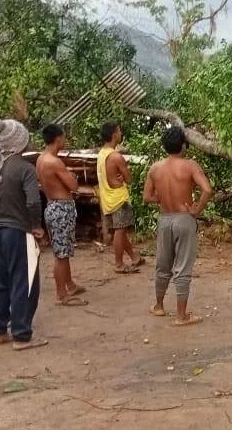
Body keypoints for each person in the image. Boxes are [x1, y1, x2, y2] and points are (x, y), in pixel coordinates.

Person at [0, 118, 47, 351]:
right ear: (22, 142)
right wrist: (36, 225)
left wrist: (0, 214)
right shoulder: (25, 169)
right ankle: (21, 334)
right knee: (24, 282)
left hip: (0, 232)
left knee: (0, 281)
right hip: (20, 232)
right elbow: (33, 201)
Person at [142, 126, 214, 326]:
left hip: (165, 219)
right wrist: (196, 209)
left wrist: (164, 198)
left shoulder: (155, 168)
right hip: (184, 219)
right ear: (183, 145)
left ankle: (158, 306)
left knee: (162, 265)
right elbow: (207, 189)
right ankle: (181, 316)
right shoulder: (189, 166)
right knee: (182, 267)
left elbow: (147, 197)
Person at [35, 124, 87, 306]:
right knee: (61, 254)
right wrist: (72, 176)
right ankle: (61, 294)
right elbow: (73, 186)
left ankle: (69, 284)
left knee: (63, 249)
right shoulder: (54, 162)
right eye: (64, 138)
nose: (65, 141)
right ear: (57, 139)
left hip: (52, 205)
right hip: (61, 208)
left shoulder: (41, 159)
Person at [97, 121, 144, 274]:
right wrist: (124, 176)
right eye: (119, 131)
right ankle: (119, 264)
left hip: (106, 197)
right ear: (113, 134)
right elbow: (129, 178)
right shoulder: (116, 157)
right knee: (120, 231)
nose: (121, 133)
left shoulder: (101, 154)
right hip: (118, 198)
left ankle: (134, 257)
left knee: (119, 231)